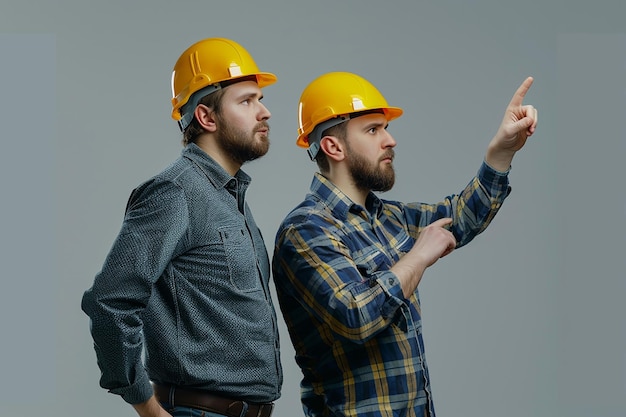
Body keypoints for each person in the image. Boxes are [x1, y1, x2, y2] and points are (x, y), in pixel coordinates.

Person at [272, 71, 538, 416]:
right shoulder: (305, 230)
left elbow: (461, 215)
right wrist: (418, 257)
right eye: (373, 130)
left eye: (385, 127)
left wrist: (500, 152)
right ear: (333, 146)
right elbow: (356, 316)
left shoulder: (389, 218)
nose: (390, 140)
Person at [81, 38, 282, 417]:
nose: (265, 112)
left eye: (261, 99)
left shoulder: (230, 196)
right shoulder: (175, 192)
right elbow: (109, 301)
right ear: (206, 117)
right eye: (247, 101)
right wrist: (148, 408)